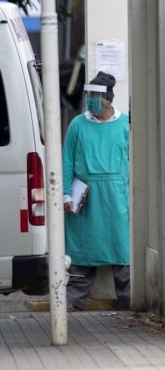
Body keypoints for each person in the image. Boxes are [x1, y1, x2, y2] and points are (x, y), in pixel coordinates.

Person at [62, 71, 130, 311]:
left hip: (118, 196)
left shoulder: (125, 124)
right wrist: (66, 194)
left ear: (108, 99)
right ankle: (72, 302)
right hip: (86, 197)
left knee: (122, 249)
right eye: (88, 94)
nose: (90, 100)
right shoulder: (78, 125)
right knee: (82, 252)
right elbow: (66, 161)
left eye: (95, 96)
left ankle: (130, 300)